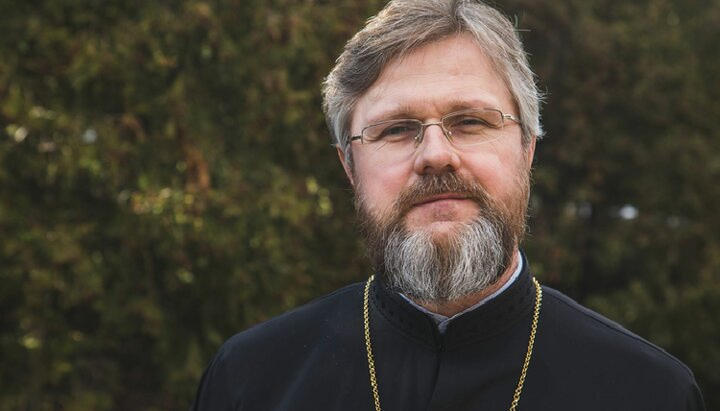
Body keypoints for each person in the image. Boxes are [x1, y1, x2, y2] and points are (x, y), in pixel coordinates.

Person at [191, 0, 705, 409]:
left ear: (527, 148)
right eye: (396, 129)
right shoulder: (250, 381)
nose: (436, 155)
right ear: (350, 167)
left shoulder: (648, 392)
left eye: (471, 122)